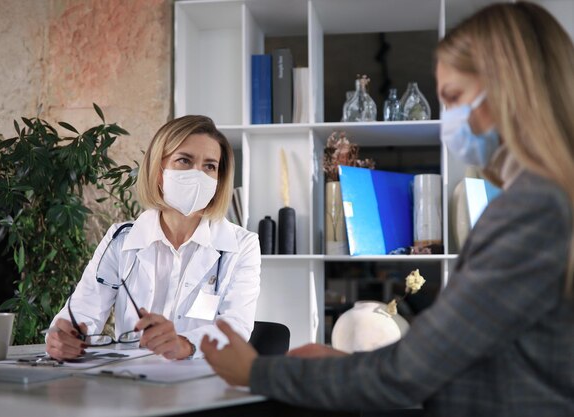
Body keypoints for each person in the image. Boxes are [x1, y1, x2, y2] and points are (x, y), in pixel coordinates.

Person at [201, 2, 574, 416]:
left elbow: (408, 374)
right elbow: (463, 360)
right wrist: (352, 367)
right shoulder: (547, 201)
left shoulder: (533, 210)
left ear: (510, 88)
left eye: (453, 98)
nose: (448, 118)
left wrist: (255, 372)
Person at [46, 115, 261, 361]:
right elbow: (81, 313)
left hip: (202, 382)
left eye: (209, 166)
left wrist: (185, 344)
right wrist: (62, 337)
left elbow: (236, 327)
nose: (198, 175)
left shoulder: (242, 245)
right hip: (133, 383)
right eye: (184, 160)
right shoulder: (120, 239)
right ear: (158, 171)